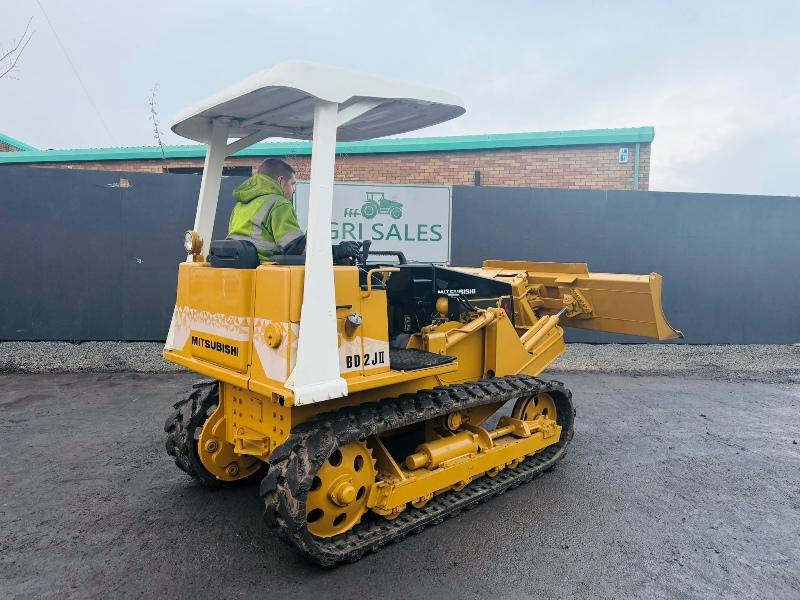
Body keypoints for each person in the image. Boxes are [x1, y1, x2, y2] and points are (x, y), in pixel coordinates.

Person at [228, 158, 359, 262]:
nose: (294, 190)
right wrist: (337, 251)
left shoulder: (240, 205)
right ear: (280, 181)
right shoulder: (279, 204)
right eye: (292, 184)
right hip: (267, 272)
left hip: (239, 270)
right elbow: (295, 248)